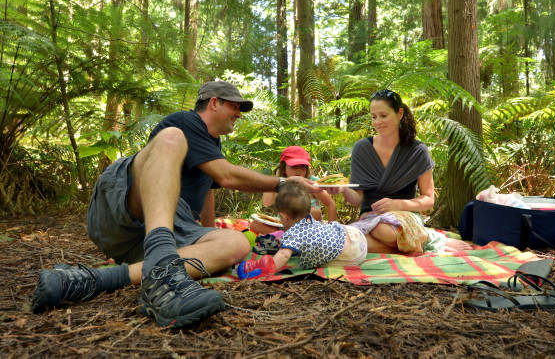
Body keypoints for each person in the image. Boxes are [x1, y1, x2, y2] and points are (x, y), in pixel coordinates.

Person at [31, 81, 319, 328]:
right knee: (170, 139)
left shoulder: (212, 147)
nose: (238, 115)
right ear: (214, 103)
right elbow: (227, 176)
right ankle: (160, 257)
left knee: (237, 244)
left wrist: (208, 239)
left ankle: (93, 280)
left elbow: (209, 191)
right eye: (235, 107)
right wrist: (284, 183)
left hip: (160, 232)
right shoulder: (186, 122)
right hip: (123, 203)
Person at [324, 89, 471, 254]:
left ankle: (424, 238)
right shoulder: (362, 148)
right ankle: (421, 242)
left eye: (383, 115)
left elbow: (429, 200)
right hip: (370, 219)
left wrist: (397, 204)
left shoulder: (417, 150)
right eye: (374, 117)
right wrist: (343, 189)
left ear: (400, 113)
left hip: (404, 216)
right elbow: (357, 199)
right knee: (345, 240)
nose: (377, 121)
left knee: (381, 231)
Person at [237, 181, 367, 279]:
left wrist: (269, 268)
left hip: (353, 254)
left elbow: (283, 255)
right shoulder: (308, 218)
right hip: (353, 235)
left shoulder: (294, 235)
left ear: (283, 216)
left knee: (327, 261)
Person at [262, 146, 337, 221]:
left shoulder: (311, 183)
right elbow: (266, 202)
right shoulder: (281, 183)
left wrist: (331, 228)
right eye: (294, 166)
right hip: (284, 225)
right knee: (256, 224)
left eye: (303, 166)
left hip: (308, 227)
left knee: (314, 212)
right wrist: (278, 179)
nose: (299, 170)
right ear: (284, 168)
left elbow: (331, 204)